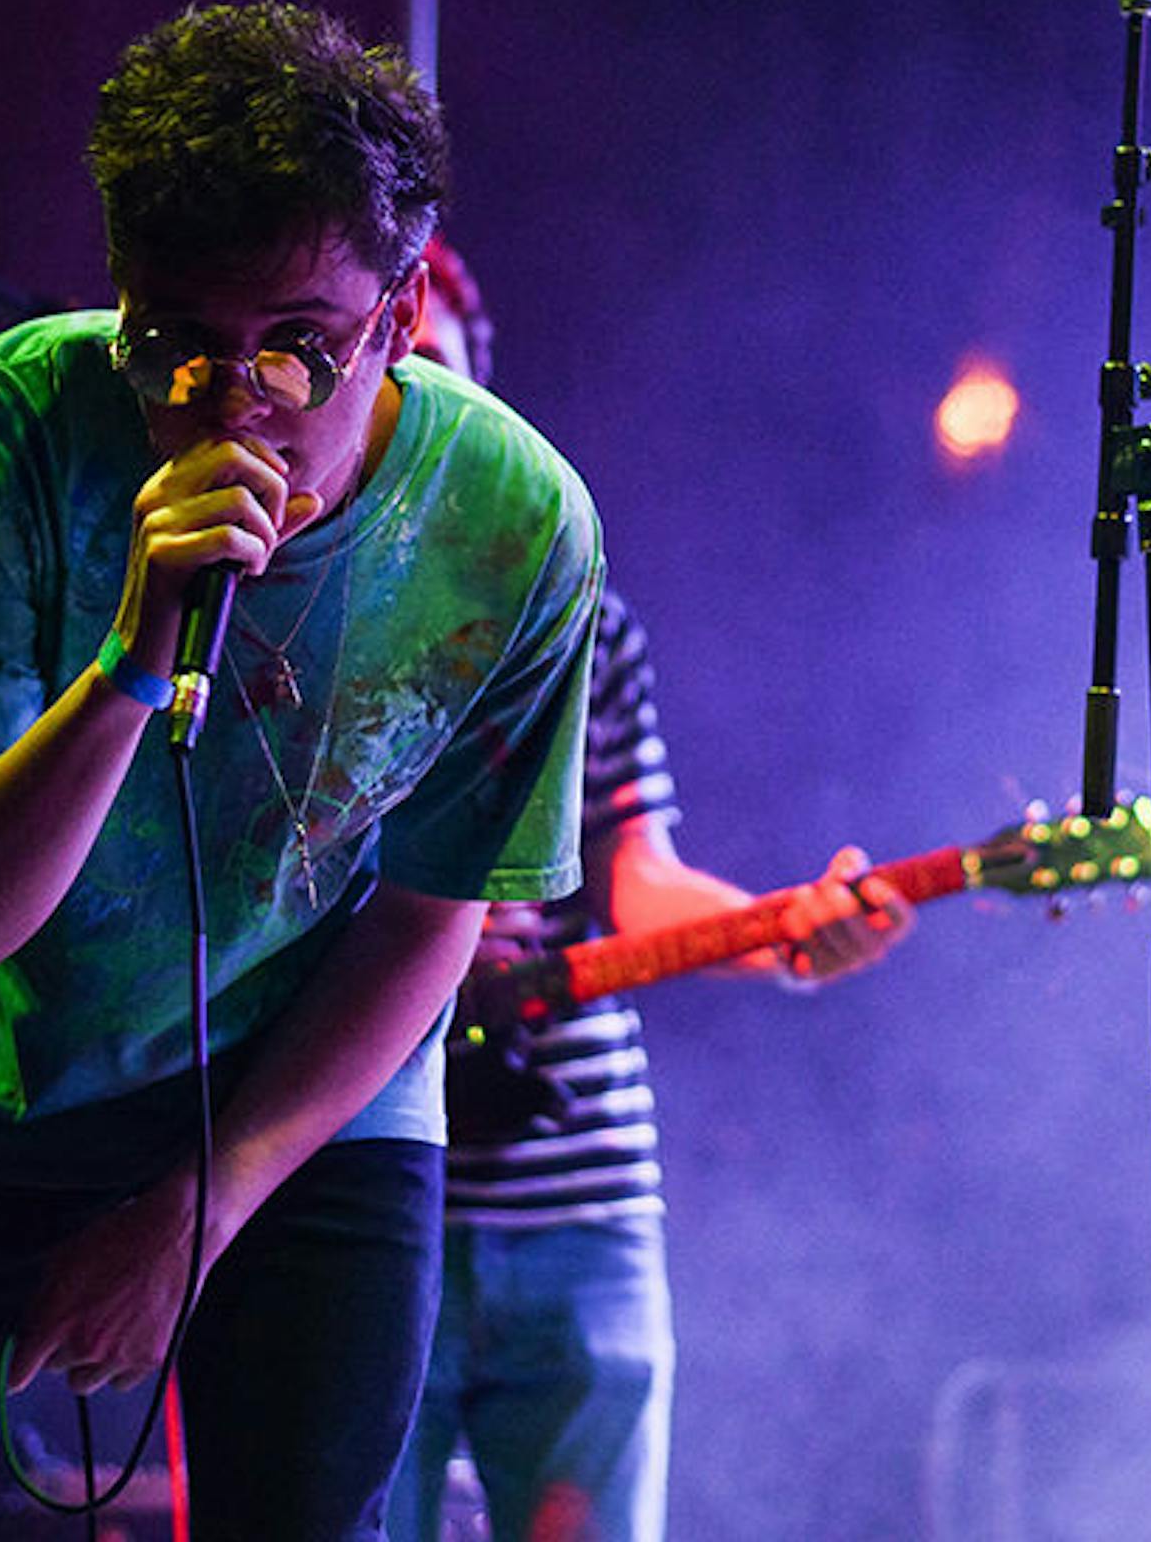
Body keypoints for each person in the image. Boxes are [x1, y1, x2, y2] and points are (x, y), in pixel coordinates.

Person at [0, 2, 602, 1540]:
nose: (234, 399)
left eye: (300, 347)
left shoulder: (513, 524)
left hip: (304, 1103)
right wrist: (134, 657)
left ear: (400, 316)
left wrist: (206, 1203)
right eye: (178, 342)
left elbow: (428, 918)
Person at [389, 241, 912, 1542]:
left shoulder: (582, 619)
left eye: (440, 369)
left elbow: (637, 879)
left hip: (580, 1199)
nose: (419, 401)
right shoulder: (283, 621)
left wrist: (785, 939)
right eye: (389, 371)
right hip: (358, 1192)